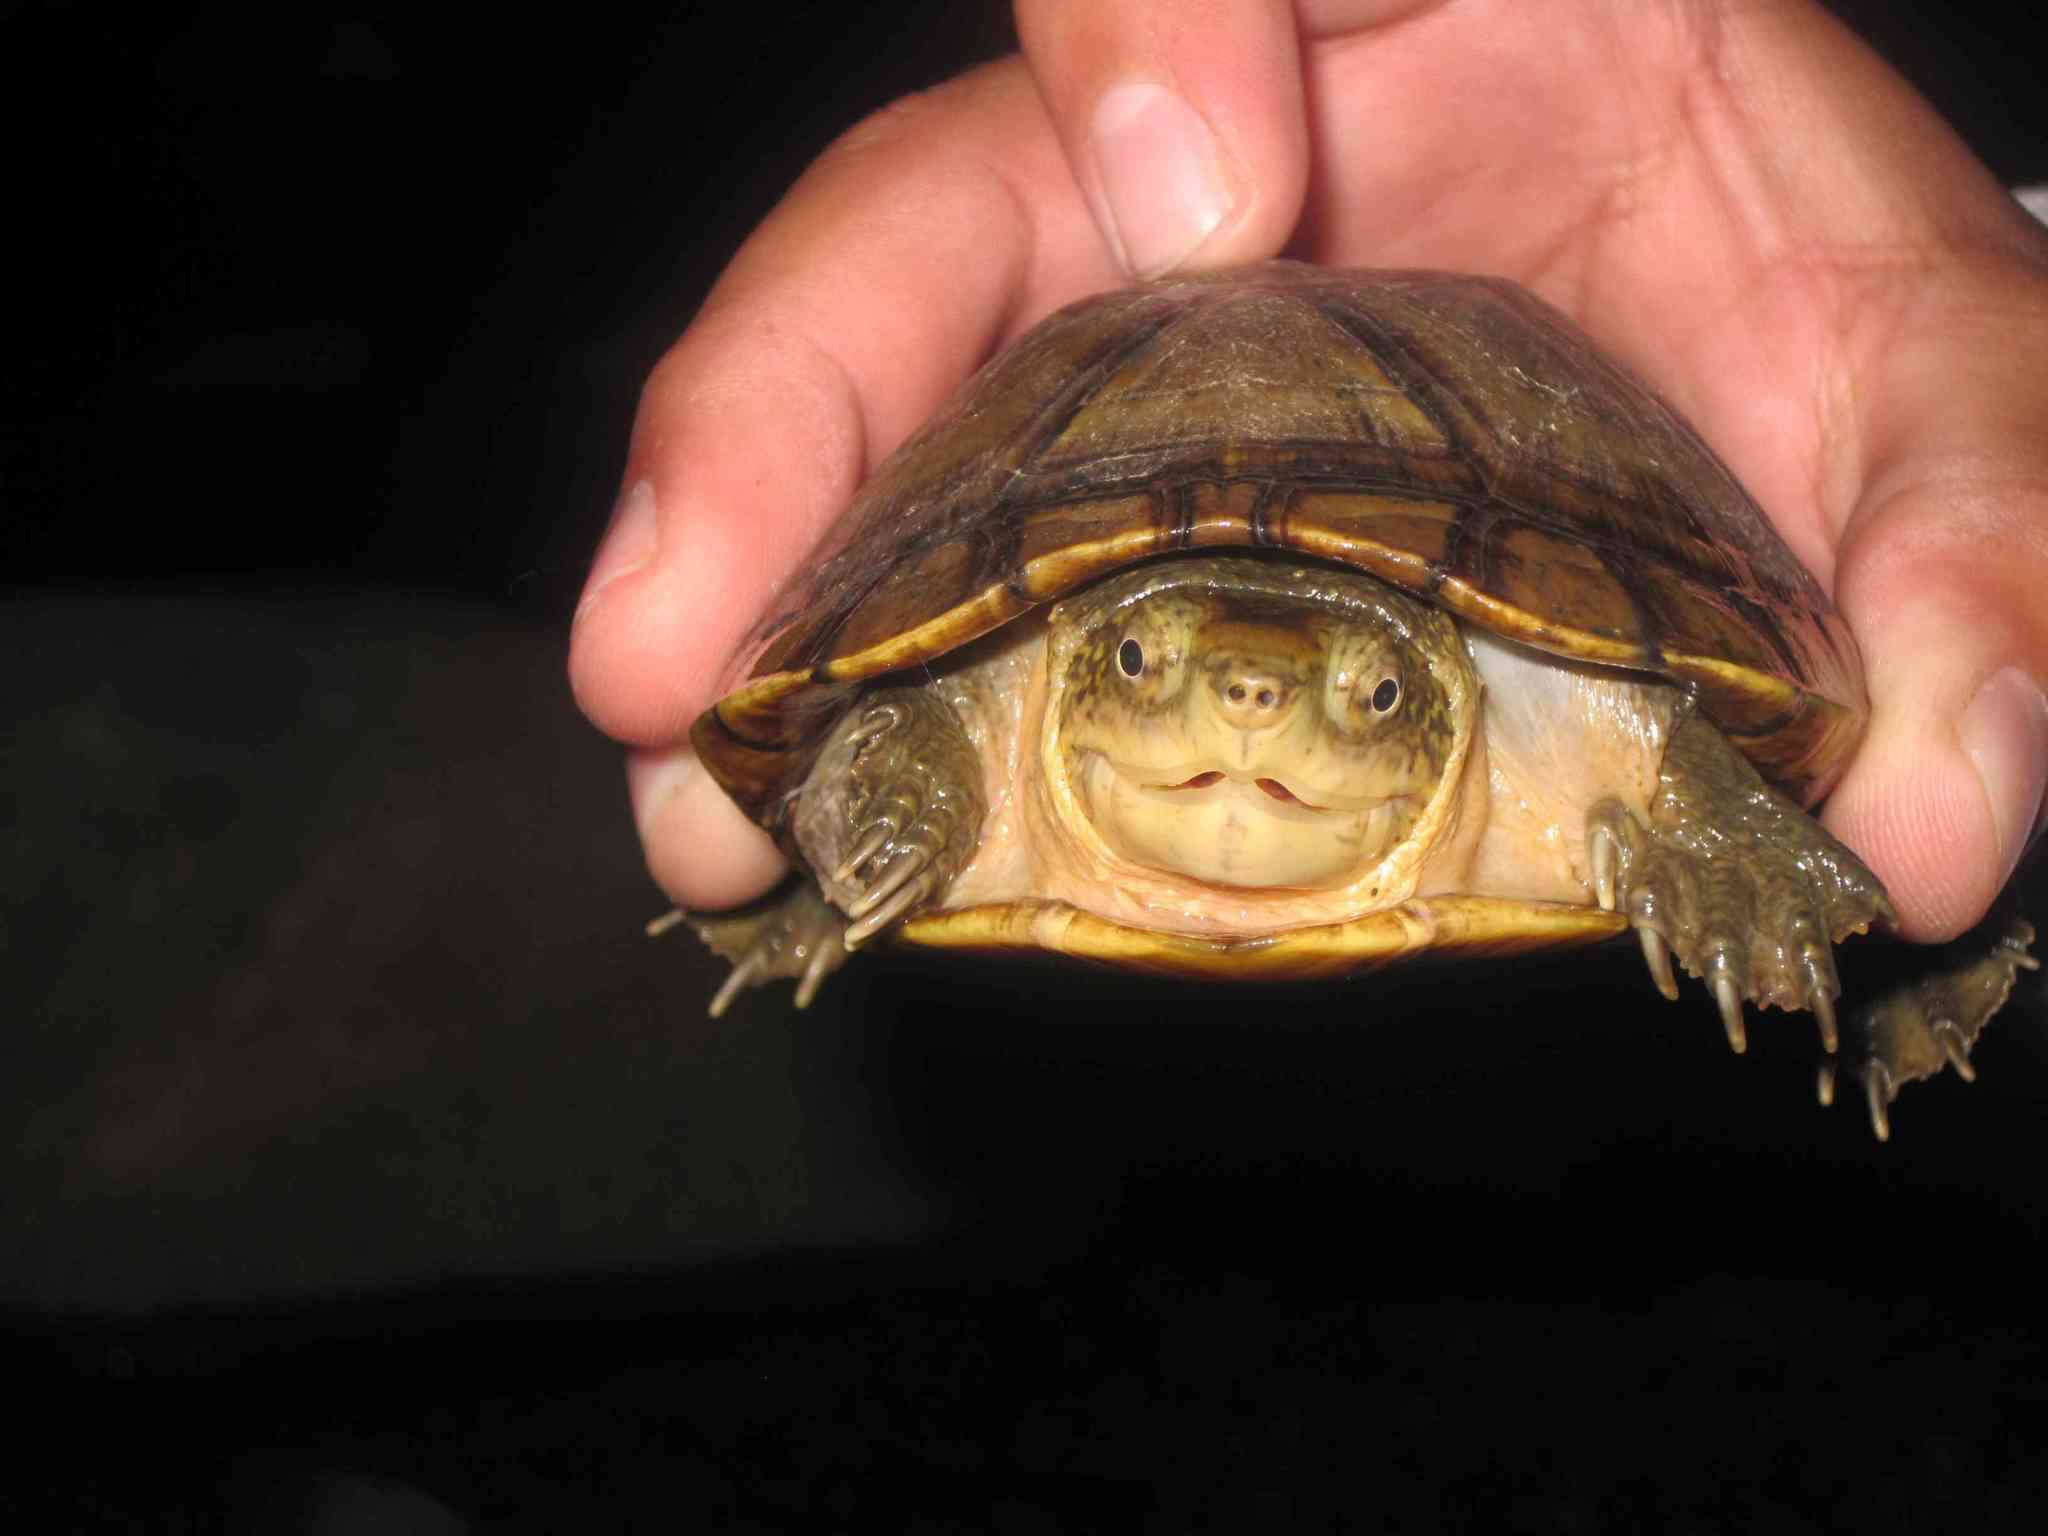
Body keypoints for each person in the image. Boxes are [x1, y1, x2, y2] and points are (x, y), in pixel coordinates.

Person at [569, 0, 2047, 944]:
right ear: (1078, 659)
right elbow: (865, 714)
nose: (1251, 711)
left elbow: (1686, 734)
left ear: (1447, 689)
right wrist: (877, 785)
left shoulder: (1567, 718)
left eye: (1380, 692)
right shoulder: (995, 694)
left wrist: (1754, 871)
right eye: (1139, 660)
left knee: (1832, 873)